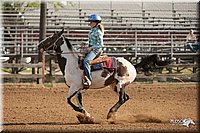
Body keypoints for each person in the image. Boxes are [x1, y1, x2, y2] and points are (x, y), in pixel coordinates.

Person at [82, 14, 104, 86]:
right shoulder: (91, 31)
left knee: (86, 61)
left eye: (91, 22)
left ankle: (89, 79)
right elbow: (90, 41)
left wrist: (91, 47)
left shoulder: (98, 32)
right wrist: (85, 43)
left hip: (96, 50)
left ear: (95, 23)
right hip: (90, 48)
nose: (90, 23)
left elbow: (100, 44)